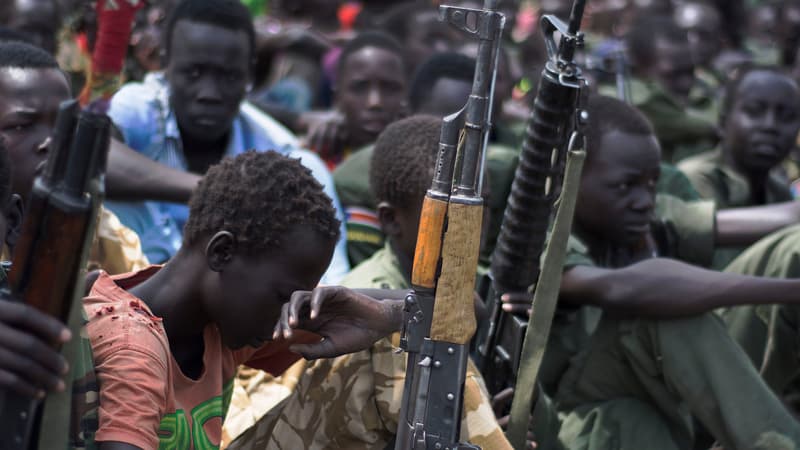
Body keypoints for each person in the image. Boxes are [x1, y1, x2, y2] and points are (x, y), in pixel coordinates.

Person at [226, 115, 513, 450]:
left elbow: (461, 307)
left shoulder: (474, 280)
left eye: (483, 207)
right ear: (391, 220)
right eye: (451, 213)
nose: (471, 226)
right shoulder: (368, 286)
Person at [533, 95, 800, 450]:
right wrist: (789, 290)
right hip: (577, 425)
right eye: (625, 185)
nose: (644, 200)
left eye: (652, 183)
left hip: (666, 397)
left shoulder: (633, 212)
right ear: (569, 178)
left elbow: (783, 219)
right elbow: (622, 290)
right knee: (664, 311)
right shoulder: (543, 237)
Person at [79, 150, 391, 449]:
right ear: (222, 252)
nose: (287, 316)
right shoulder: (134, 346)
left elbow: (365, 307)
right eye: (284, 297)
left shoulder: (218, 320)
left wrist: (388, 317)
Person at [104, 0, 349, 285]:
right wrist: (218, 191)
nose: (209, 92)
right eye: (193, 73)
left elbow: (332, 284)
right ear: (165, 63)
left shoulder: (275, 147)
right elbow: (94, 157)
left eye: (228, 77)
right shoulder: (138, 108)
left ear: (249, 73)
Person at [0, 40, 148, 274]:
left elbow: (140, 297)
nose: (51, 141)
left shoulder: (97, 229)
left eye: (65, 125)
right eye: (21, 126)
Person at [679, 67, 800, 268]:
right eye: (754, 111)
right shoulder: (694, 178)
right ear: (723, 121)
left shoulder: (777, 190)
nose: (770, 126)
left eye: (787, 117)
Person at [619, 15, 717, 163]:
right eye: (673, 75)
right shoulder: (626, 97)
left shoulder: (706, 92)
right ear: (639, 68)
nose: (686, 83)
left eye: (690, 72)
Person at [304, 31, 408, 169]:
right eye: (360, 88)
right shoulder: (313, 161)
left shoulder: (418, 162)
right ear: (338, 94)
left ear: (405, 93)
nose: (374, 102)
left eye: (389, 88)